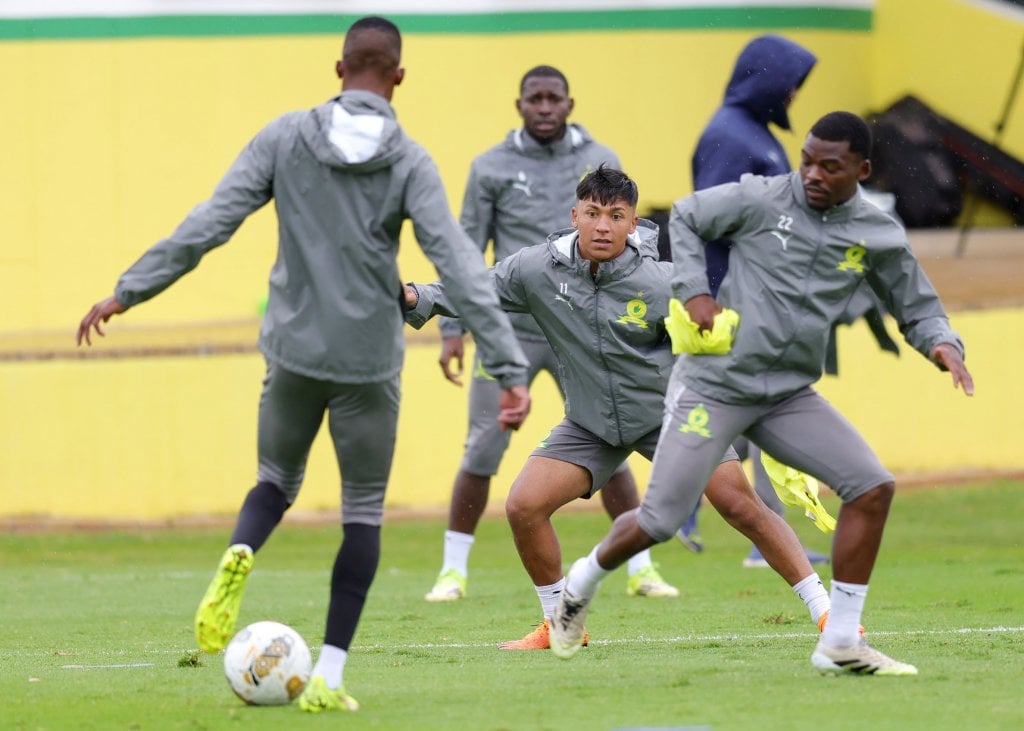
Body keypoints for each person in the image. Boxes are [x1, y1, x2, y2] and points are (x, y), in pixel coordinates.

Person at [76, 16, 530, 713]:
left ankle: (241, 552)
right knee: (363, 512)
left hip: (292, 352)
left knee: (275, 480)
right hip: (367, 365)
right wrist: (507, 364)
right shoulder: (410, 160)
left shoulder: (284, 136)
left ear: (339, 67)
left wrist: (128, 289)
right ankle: (328, 675)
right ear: (399, 78)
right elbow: (462, 269)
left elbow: (210, 223)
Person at [550, 113, 973, 676]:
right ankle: (582, 583)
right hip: (714, 386)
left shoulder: (877, 232)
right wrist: (696, 292)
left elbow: (916, 304)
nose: (814, 174)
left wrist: (942, 342)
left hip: (787, 395)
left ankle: (841, 641)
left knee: (871, 488)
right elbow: (688, 214)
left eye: (832, 165)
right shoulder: (762, 198)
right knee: (659, 520)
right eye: (807, 160)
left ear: (862, 170)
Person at [405, 166, 835, 650]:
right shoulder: (535, 270)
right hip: (590, 425)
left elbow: (720, 343)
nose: (602, 226)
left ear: (633, 224)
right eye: (592, 213)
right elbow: (473, 288)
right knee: (524, 506)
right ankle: (561, 625)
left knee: (739, 505)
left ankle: (828, 615)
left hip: (671, 418)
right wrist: (416, 296)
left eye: (616, 215)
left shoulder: (663, 283)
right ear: (575, 216)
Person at [424, 65, 678, 604]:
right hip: (508, 330)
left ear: (569, 103)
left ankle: (641, 567)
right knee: (483, 446)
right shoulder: (490, 166)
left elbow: (629, 237)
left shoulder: (599, 159)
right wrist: (452, 326)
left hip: (586, 331)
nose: (544, 107)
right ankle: (452, 570)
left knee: (610, 436)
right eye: (534, 99)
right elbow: (468, 246)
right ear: (519, 105)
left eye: (553, 98)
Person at [676, 34, 830, 566]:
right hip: (733, 305)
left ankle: (710, 516)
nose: (792, 96)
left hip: (761, 302)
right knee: (758, 415)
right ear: (765, 79)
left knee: (752, 419)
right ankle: (692, 512)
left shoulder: (754, 134)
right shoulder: (730, 136)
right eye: (789, 84)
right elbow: (706, 221)